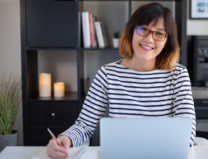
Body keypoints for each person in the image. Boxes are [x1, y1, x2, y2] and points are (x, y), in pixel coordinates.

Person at [46, 2, 196, 159]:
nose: (149, 39)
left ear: (167, 41)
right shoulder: (107, 74)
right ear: (132, 31)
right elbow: (84, 125)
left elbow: (187, 135)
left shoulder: (178, 75)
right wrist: (65, 139)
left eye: (159, 33)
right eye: (143, 29)